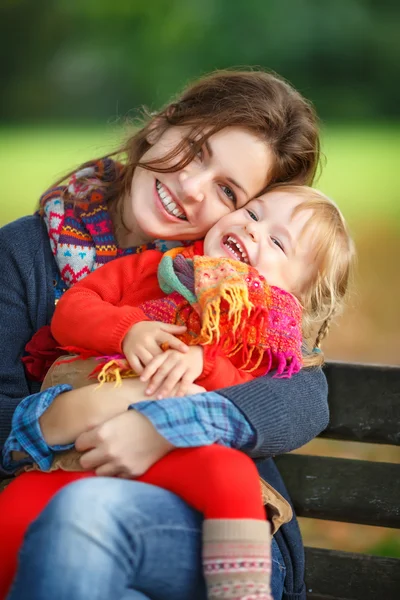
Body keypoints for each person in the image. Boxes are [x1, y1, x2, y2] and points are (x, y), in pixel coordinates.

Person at [0, 70, 329, 600]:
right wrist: (114, 399)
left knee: (85, 515)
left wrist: (161, 427)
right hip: (56, 496)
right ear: (160, 125)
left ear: (245, 210)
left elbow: (302, 395)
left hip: (209, 532)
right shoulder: (22, 255)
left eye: (228, 190)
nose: (191, 188)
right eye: (196, 151)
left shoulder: (228, 280)